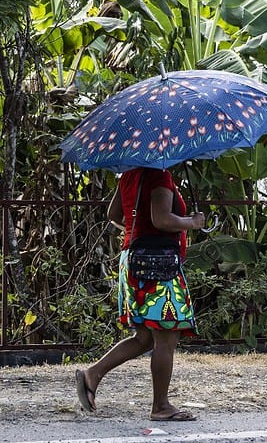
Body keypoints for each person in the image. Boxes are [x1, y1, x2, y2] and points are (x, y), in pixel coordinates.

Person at [75, 167, 205, 421]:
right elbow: (162, 220)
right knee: (166, 336)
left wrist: (139, 227)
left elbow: (114, 214)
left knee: (144, 337)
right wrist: (192, 222)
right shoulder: (159, 175)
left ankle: (93, 374)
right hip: (158, 265)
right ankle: (161, 406)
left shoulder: (129, 174)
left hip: (132, 259)